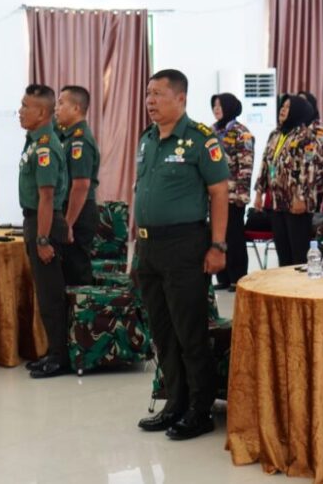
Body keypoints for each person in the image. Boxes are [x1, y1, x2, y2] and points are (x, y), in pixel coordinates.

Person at [134, 69, 229, 441]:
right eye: (148, 94)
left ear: (181, 98)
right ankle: (175, 402)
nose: (150, 101)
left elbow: (219, 193)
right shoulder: (147, 139)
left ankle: (199, 410)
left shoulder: (201, 140)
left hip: (185, 245)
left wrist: (218, 246)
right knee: (163, 331)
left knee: (189, 331)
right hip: (149, 247)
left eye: (158, 94)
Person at [17, 84, 71, 379]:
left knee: (51, 294)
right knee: (45, 291)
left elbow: (47, 197)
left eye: (25, 106)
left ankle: (59, 357)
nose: (20, 111)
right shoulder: (34, 141)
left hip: (44, 223)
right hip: (37, 220)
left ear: (41, 113)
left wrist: (42, 238)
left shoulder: (46, 146)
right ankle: (52, 351)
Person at [253, 95, 323, 266]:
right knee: (283, 252)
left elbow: (310, 170)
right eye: (282, 106)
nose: (283, 110)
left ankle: (300, 284)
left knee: (298, 254)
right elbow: (265, 163)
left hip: (297, 203)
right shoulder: (275, 134)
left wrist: (301, 197)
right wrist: (259, 193)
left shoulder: (306, 137)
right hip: (277, 202)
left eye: (288, 107)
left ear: (297, 111)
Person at [54, 85, 100, 286]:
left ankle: (82, 307)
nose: (56, 108)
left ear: (76, 108)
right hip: (70, 209)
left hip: (78, 212)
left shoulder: (79, 140)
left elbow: (81, 185)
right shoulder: (68, 137)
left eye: (61, 103)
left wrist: (68, 224)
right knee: (66, 271)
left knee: (76, 272)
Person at [210, 92, 254, 292]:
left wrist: (242, 196)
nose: (216, 109)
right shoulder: (212, 131)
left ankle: (238, 277)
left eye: (220, 105)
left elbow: (245, 166)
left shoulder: (241, 132)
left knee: (234, 237)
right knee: (218, 236)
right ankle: (224, 277)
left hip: (234, 195)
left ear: (229, 107)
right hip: (214, 194)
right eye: (214, 106)